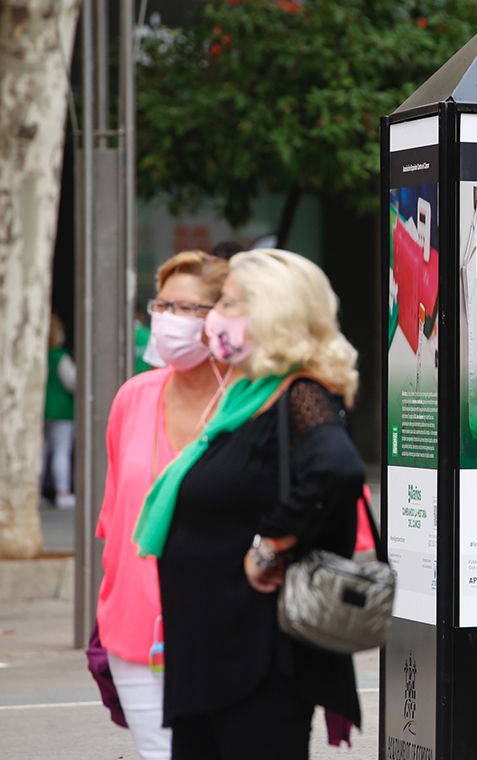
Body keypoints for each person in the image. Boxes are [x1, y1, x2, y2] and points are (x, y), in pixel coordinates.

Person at [135, 249, 364, 760]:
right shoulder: (246, 396)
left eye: (230, 303)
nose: (216, 315)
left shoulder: (300, 394)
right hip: (209, 653)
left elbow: (338, 468)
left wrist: (271, 545)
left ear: (272, 316)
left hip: (258, 660)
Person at [95, 251, 231, 759]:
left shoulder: (251, 401)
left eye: (188, 308)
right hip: (136, 636)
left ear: (222, 316)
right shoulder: (133, 397)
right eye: (163, 305)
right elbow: (115, 520)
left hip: (225, 633)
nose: (169, 319)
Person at [43, 314, 77, 509]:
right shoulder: (60, 357)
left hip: (42, 411)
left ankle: (37, 492)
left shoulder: (36, 355)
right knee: (61, 452)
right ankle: (62, 492)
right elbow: (73, 383)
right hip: (62, 411)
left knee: (42, 453)